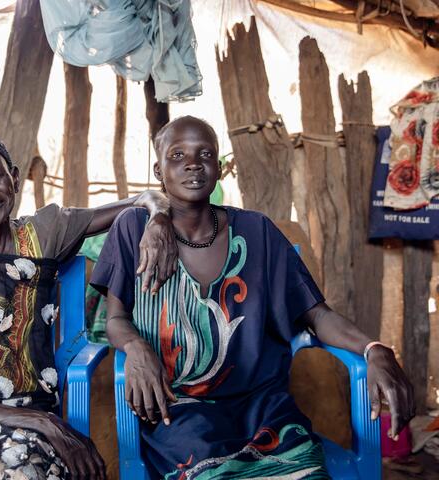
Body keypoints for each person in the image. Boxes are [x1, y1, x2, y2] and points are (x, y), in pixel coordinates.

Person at [90, 116, 415, 479]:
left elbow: (317, 315)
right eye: (177, 155)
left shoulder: (258, 232)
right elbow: (116, 319)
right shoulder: (133, 229)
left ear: (219, 168)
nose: (193, 164)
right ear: (158, 169)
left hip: (263, 407)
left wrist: (374, 349)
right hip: (179, 410)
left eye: (205, 154)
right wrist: (135, 347)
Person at [0, 132, 178, 480]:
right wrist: (44, 422)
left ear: (15, 178)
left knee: (25, 470)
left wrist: (158, 218)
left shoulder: (44, 232)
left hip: (30, 417)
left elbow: (145, 198)